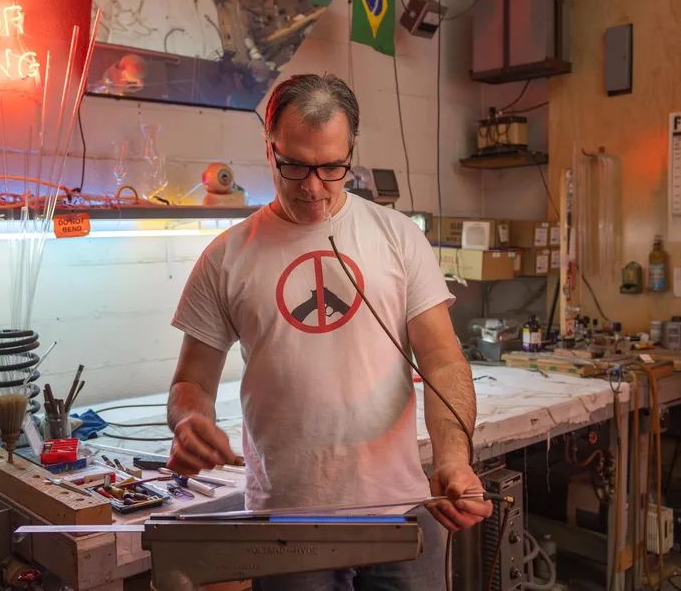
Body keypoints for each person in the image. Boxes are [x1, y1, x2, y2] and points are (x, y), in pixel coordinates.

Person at [167, 73, 492, 590]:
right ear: (269, 148)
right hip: (290, 521)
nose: (314, 188)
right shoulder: (226, 257)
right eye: (294, 166)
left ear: (352, 150)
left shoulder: (398, 237)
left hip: (401, 510)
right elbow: (192, 382)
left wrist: (454, 459)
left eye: (332, 167)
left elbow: (444, 361)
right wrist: (188, 421)